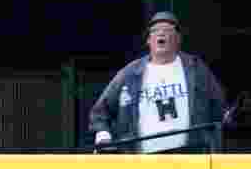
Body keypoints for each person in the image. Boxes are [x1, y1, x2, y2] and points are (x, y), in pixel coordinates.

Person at [89, 11, 226, 153]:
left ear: (178, 38)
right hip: (143, 161)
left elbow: (219, 108)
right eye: (155, 31)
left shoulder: (196, 69)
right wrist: (102, 134)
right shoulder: (130, 73)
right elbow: (100, 112)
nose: (161, 34)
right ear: (148, 40)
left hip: (190, 157)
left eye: (167, 30)